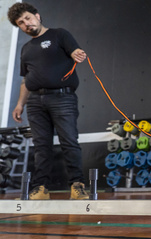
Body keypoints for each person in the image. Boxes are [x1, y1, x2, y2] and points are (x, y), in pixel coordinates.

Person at [7, 3, 89, 200]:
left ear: (37, 16)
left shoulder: (59, 34)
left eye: (27, 18)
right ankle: (40, 189)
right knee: (41, 146)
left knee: (69, 141)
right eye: (21, 23)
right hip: (35, 102)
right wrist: (20, 104)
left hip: (62, 98)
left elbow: (74, 51)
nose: (26, 24)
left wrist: (77, 53)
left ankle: (77, 185)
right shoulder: (26, 48)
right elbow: (26, 80)